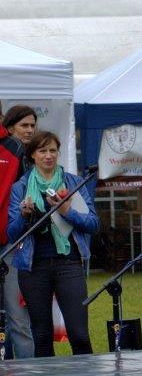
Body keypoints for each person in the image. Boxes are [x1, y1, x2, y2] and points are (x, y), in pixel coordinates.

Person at [7, 131, 98, 357]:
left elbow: (93, 223)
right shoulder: (20, 187)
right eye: (42, 151)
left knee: (79, 334)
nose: (48, 156)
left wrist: (68, 212)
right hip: (33, 267)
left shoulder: (74, 182)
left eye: (52, 150)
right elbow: (12, 234)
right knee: (41, 336)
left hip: (69, 263)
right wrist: (24, 216)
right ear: (32, 155)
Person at [0, 106, 36, 358]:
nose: (30, 130)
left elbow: (27, 194)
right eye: (25, 125)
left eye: (32, 125)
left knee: (17, 319)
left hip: (10, 243)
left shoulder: (14, 148)